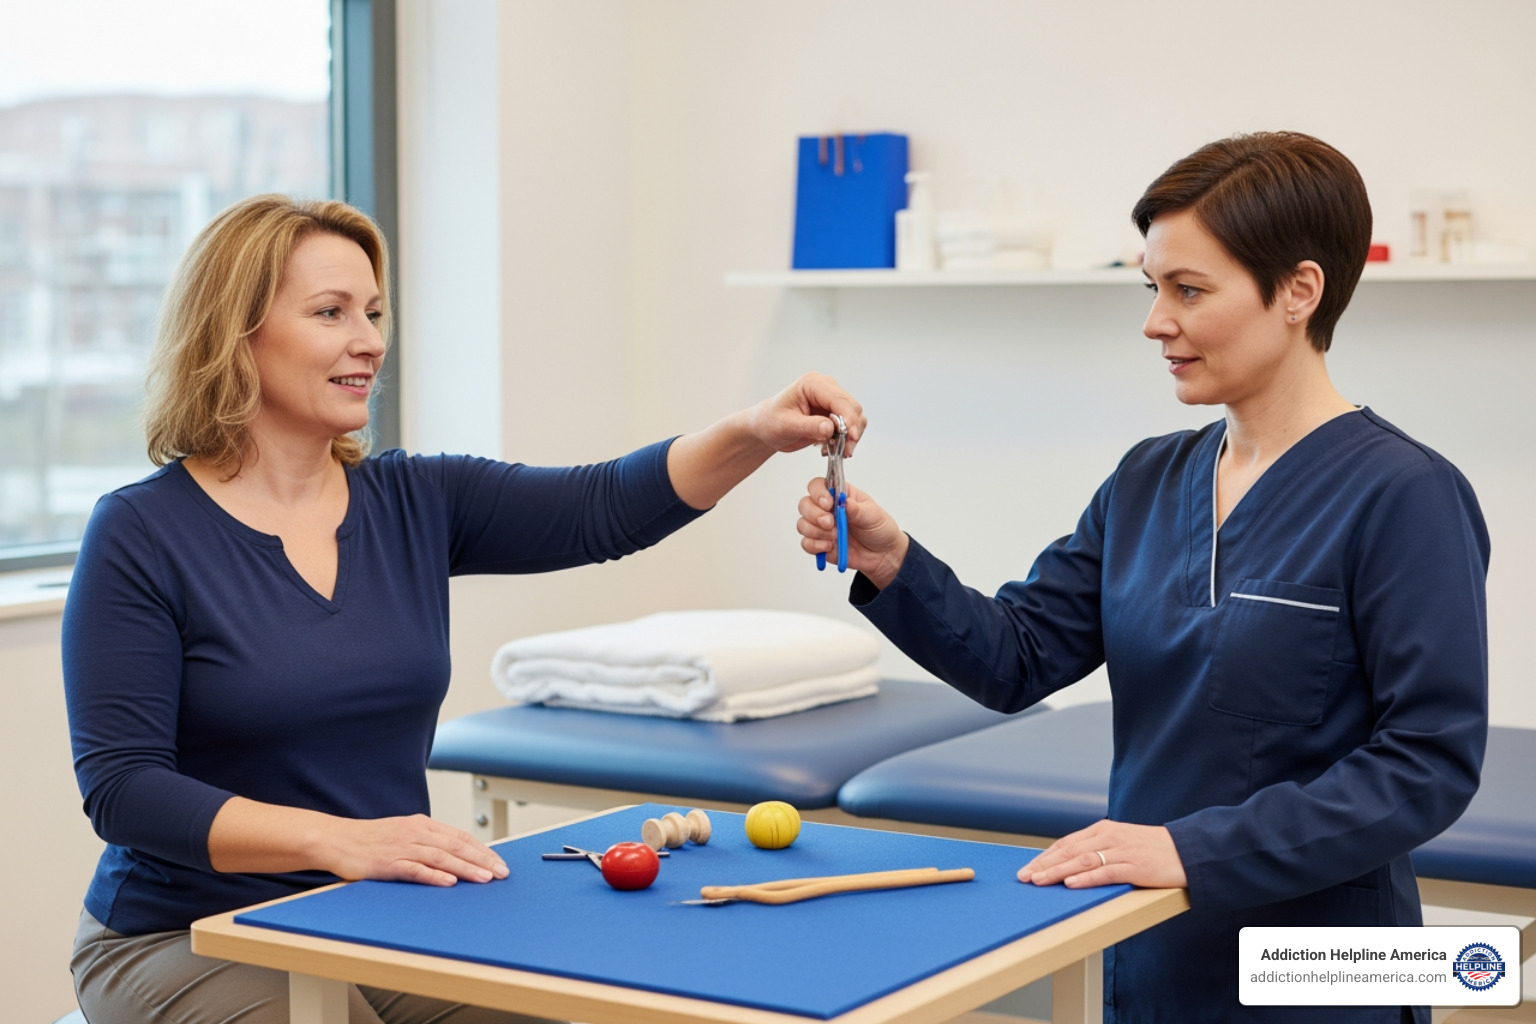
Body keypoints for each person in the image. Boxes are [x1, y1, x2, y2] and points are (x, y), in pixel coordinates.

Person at [63, 193, 866, 1024]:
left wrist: (756, 430)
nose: (370, 341)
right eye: (330, 312)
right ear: (237, 334)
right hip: (184, 933)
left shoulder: (415, 498)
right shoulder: (141, 532)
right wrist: (339, 839)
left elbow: (602, 509)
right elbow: (125, 788)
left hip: (378, 910)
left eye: (374, 312)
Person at [796, 132, 1489, 1024]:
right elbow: (1017, 658)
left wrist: (1193, 850)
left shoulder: (1405, 495)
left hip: (1328, 966)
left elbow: (1427, 765)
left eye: (1189, 291)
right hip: (1151, 937)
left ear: (1299, 292)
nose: (1157, 321)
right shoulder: (1148, 480)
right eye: (1153, 288)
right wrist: (891, 559)